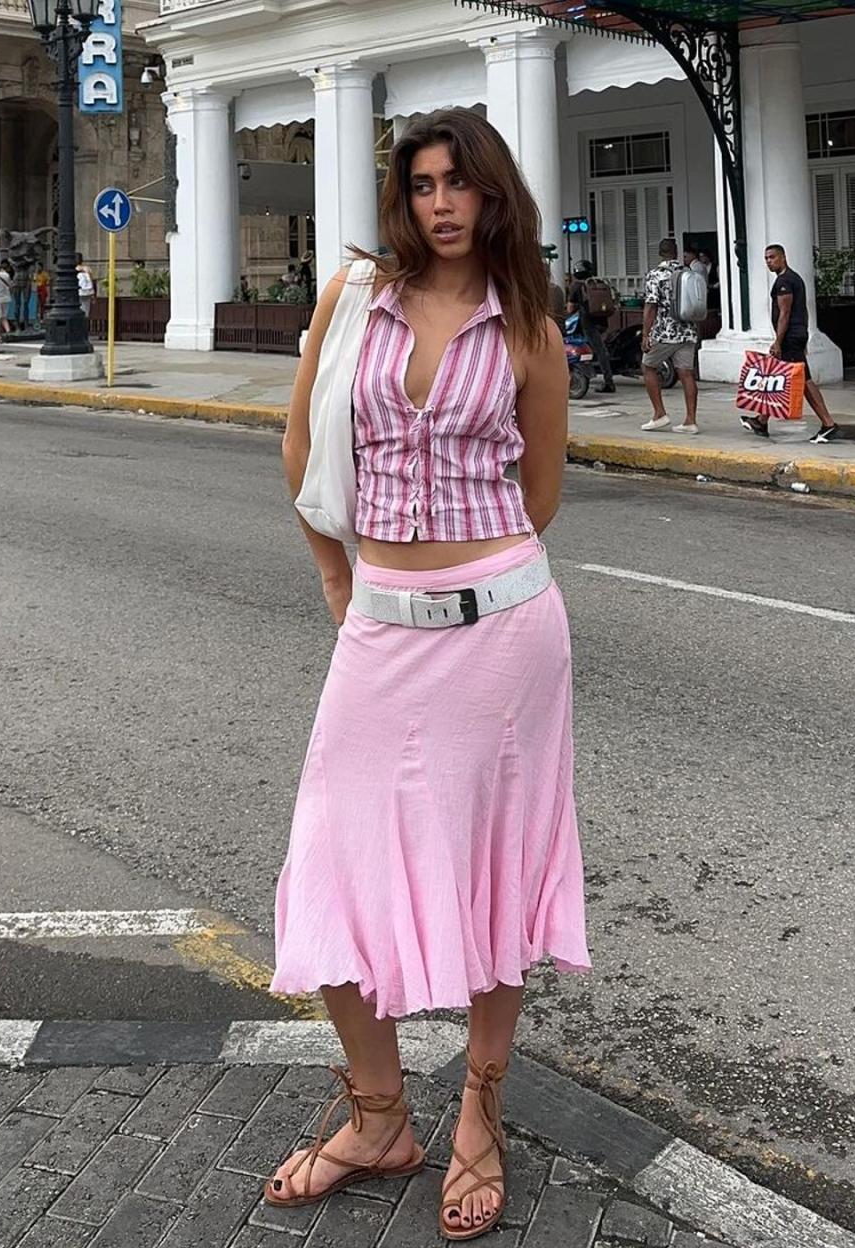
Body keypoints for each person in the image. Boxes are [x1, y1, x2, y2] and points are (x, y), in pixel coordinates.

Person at [269, 108, 589, 1239]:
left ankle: (478, 1120)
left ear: (494, 196)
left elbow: (538, 494)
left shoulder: (530, 330)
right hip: (383, 626)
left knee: (499, 867)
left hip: (504, 631)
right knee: (329, 859)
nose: (441, 203)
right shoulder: (355, 301)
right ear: (400, 199)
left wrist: (470, 573)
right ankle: (378, 1115)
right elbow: (301, 448)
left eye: (460, 184)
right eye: (422, 185)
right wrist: (336, 584)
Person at [741, 244, 840, 443]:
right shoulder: (793, 278)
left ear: (783, 257)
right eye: (766, 258)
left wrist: (778, 341)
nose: (769, 261)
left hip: (790, 338)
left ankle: (828, 424)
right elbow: (803, 310)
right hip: (796, 336)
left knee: (803, 380)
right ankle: (761, 420)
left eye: (772, 257)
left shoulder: (785, 281)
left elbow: (784, 314)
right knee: (776, 376)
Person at [641, 236, 699, 433]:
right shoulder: (687, 272)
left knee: (648, 366)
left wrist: (645, 334)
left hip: (665, 332)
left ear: (660, 253)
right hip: (688, 331)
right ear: (676, 253)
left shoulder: (655, 274)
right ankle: (690, 421)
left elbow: (651, 306)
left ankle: (659, 414)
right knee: (686, 374)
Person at [566, 260, 616, 393]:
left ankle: (609, 382)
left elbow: (570, 309)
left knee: (599, 351)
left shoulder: (576, 286)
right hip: (602, 322)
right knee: (599, 349)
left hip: (587, 323)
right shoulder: (598, 283)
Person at [76, 253, 95, 318]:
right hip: (87, 292)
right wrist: (93, 295)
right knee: (86, 311)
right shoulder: (87, 269)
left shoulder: (73, 269)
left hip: (78, 293)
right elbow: (92, 281)